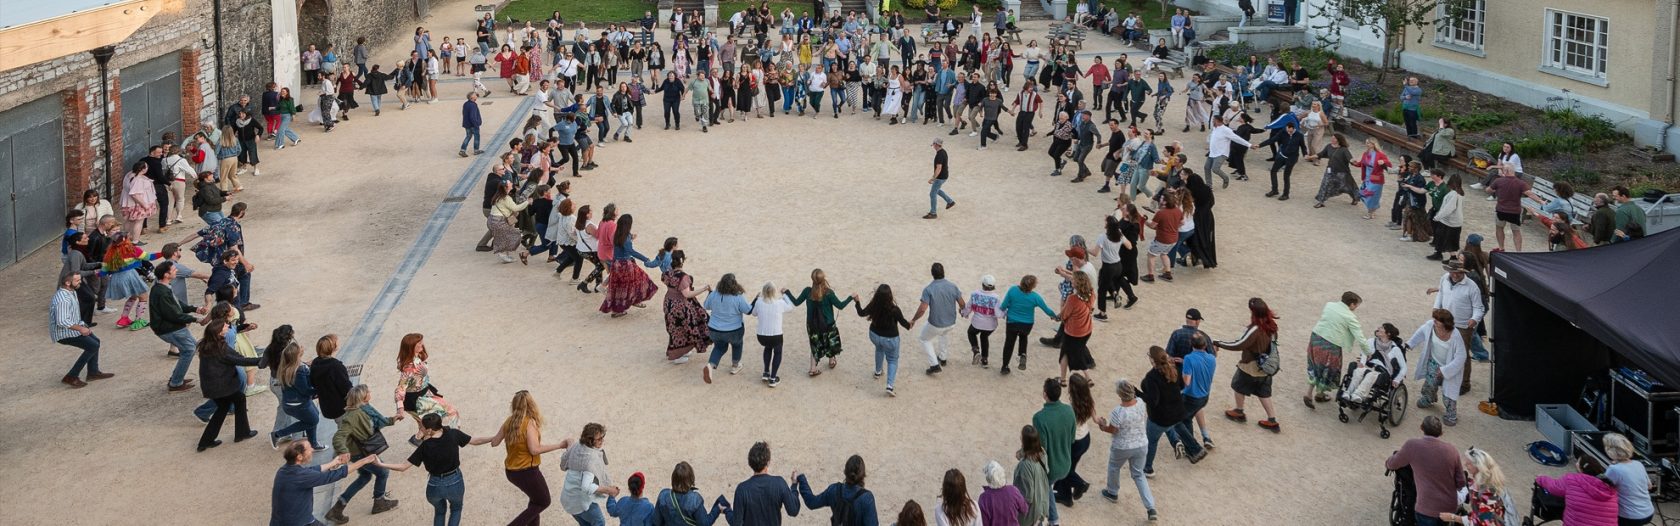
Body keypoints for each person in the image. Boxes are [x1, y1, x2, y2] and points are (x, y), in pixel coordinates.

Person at [376, 412, 494, 526]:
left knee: (440, 512)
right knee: (456, 509)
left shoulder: (424, 447)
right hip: (455, 481)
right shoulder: (453, 434)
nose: (420, 429)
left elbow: (403, 467)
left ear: (429, 430)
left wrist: (381, 464)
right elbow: (475, 440)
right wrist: (493, 438)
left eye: (422, 427)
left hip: (434, 487)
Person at [490, 391, 574, 526]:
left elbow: (494, 442)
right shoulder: (529, 423)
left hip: (511, 472)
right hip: (527, 472)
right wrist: (560, 445)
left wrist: (506, 434)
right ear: (531, 404)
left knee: (535, 501)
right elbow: (535, 450)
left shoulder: (509, 422)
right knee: (544, 501)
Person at [327, 385, 401, 522]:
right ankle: (379, 502)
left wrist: (392, 420)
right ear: (363, 396)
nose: (370, 393)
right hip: (361, 453)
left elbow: (375, 422)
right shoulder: (352, 416)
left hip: (361, 451)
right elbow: (338, 437)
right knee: (383, 472)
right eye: (368, 392)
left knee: (365, 477)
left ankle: (337, 508)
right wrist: (343, 451)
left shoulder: (364, 408)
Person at [1384, 416, 1468, 526]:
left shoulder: (1412, 445)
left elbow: (1392, 464)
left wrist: (1388, 463)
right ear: (1441, 433)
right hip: (1448, 508)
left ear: (1421, 428)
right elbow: (1461, 482)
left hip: (1426, 508)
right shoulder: (1452, 450)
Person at [271, 441, 377, 526]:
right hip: (298, 522)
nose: (312, 449)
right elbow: (337, 474)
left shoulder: (284, 470)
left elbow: (312, 470)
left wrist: (334, 462)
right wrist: (364, 461)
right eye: (309, 449)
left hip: (286, 521)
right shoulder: (301, 476)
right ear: (299, 457)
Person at [1139, 344, 1207, 476]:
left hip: (1160, 418)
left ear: (1152, 360)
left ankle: (1148, 469)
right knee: (1178, 426)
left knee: (1152, 441)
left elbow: (1153, 401)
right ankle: (1195, 449)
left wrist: (1138, 393)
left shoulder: (1151, 377)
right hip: (1176, 412)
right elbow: (1182, 385)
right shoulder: (1173, 369)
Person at [1095, 378, 1156, 520]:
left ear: (1120, 395)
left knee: (1114, 467)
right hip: (1141, 444)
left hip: (1122, 447)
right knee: (1139, 475)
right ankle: (1151, 507)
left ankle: (1112, 492)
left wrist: (1103, 426)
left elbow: (1113, 430)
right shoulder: (1141, 403)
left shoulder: (1118, 412)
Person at [197, 320, 262, 451]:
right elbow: (241, 360)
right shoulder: (221, 348)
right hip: (222, 386)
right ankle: (242, 433)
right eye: (225, 326)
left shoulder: (206, 344)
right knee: (238, 399)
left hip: (211, 385)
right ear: (219, 332)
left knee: (223, 408)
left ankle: (206, 441)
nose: (228, 326)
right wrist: (262, 361)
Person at [1218, 297, 1282, 432]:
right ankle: (1272, 420)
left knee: (1238, 385)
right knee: (1264, 393)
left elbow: (1239, 344)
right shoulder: (1272, 326)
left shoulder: (1255, 329)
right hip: (1266, 366)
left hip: (1250, 366)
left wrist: (1219, 343)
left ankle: (1239, 411)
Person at [1428, 258, 1484, 393]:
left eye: (1458, 272)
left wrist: (1474, 319)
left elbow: (1479, 308)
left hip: (1463, 326)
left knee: (1462, 355)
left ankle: (1464, 384)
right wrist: (1436, 308)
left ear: (1463, 272)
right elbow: (1440, 294)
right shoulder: (1444, 279)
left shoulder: (1472, 287)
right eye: (1453, 272)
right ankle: (1445, 376)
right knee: (1444, 352)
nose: (1455, 275)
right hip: (1445, 323)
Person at [1304, 292, 1370, 407]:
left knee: (1315, 365)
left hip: (1316, 337)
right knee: (1328, 370)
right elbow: (1360, 337)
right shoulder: (1350, 317)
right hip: (1331, 344)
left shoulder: (1329, 305)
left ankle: (1311, 393)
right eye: (1356, 306)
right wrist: (1368, 352)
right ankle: (1318, 394)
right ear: (1352, 304)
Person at [787, 269, 855, 376]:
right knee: (830, 341)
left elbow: (796, 302)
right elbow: (841, 306)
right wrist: (851, 297)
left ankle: (813, 368)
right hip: (828, 324)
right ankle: (832, 360)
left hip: (812, 324)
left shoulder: (807, 291)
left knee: (814, 345)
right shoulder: (829, 293)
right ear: (823, 278)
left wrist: (787, 292)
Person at [394, 333, 459, 444]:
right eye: (418, 343)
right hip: (417, 401)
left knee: (426, 424)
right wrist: (400, 408)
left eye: (421, 341)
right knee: (450, 412)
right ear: (411, 346)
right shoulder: (409, 368)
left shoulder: (417, 357)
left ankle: (418, 439)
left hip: (426, 393)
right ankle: (454, 438)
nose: (422, 344)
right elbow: (400, 388)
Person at [1409, 308, 1468, 426]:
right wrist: (1410, 344)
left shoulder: (1455, 335)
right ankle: (1428, 399)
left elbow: (1461, 357)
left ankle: (1451, 415)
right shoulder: (1431, 325)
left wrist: (1445, 370)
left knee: (1448, 393)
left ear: (1445, 323)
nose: (1434, 321)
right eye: (1434, 318)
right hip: (1434, 361)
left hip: (1450, 367)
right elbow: (1420, 333)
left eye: (1437, 320)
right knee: (1430, 383)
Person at [50, 271, 109, 388]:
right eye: (77, 280)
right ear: (67, 282)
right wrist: (81, 329)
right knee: (92, 346)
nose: (80, 282)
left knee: (95, 342)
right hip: (64, 333)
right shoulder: (62, 299)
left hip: (73, 328)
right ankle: (71, 376)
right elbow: (62, 321)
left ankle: (93, 372)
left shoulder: (71, 292)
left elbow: (72, 315)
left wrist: (82, 325)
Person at [857, 284, 914, 396]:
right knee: (892, 360)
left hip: (874, 335)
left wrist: (857, 301)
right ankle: (889, 386)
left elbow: (861, 313)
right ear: (890, 296)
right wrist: (911, 324)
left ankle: (878, 372)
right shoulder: (895, 310)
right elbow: (905, 324)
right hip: (890, 339)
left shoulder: (874, 305)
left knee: (879, 349)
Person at [561, 423, 621, 526]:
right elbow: (586, 487)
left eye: (603, 437)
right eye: (599, 439)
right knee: (599, 522)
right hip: (580, 503)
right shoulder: (590, 460)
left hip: (568, 499)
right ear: (590, 440)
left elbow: (565, 459)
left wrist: (570, 443)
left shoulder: (577, 446)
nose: (602, 440)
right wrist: (609, 490)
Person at [1032, 378, 1073, 526]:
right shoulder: (1069, 411)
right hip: (1067, 462)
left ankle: (1050, 520)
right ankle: (1052, 520)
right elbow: (1072, 437)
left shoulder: (1039, 418)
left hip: (1051, 467)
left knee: (1041, 488)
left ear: (1045, 394)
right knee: (1046, 487)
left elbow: (1041, 449)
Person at [910, 262, 964, 375]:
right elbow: (962, 304)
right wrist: (961, 310)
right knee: (944, 333)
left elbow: (922, 310)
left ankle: (934, 364)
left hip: (936, 324)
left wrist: (914, 319)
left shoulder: (929, 289)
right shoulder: (953, 286)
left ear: (932, 274)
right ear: (943, 272)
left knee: (924, 339)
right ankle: (943, 357)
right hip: (951, 322)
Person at [1535, 455, 1619, 526]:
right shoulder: (1610, 488)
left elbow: (1554, 487)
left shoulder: (1572, 479)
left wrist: (1541, 478)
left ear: (1581, 468)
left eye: (1577, 462)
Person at [270, 340, 323, 451]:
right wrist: (321, 390)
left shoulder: (287, 367)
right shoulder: (298, 371)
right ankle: (277, 434)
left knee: (313, 416)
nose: (302, 347)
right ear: (296, 355)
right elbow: (306, 390)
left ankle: (313, 443)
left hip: (293, 402)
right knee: (312, 421)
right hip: (298, 404)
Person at [701, 273, 754, 383]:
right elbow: (748, 311)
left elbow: (706, 306)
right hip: (734, 330)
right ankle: (735, 365)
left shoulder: (714, 294)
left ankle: (710, 365)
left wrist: (710, 294)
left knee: (719, 347)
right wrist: (756, 299)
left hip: (714, 330)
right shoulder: (738, 296)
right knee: (737, 344)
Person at [796, 455, 878, 526]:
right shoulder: (867, 498)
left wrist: (801, 478)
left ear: (845, 471)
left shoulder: (834, 490)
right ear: (863, 475)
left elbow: (812, 502)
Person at [732, 442, 801, 525]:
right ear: (768, 462)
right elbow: (793, 510)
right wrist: (794, 485)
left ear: (750, 463)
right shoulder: (779, 483)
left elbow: (736, 523)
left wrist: (727, 511)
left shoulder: (742, 489)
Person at [1602, 433, 1655, 526]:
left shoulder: (1614, 469)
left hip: (1628, 517)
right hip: (1648, 512)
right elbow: (1649, 486)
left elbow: (1603, 490)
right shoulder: (1638, 464)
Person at [653, 461, 729, 526]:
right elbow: (705, 524)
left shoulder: (663, 496)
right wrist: (717, 509)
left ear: (673, 478)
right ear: (691, 479)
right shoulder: (694, 500)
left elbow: (656, 522)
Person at [752, 281, 795, 387]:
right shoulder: (779, 303)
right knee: (778, 353)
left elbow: (753, 313)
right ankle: (772, 378)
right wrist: (785, 295)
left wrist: (757, 297)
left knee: (767, 348)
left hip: (762, 336)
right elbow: (791, 306)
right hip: (776, 336)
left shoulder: (759, 302)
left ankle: (766, 372)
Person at [1257, 122, 1307, 200]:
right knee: (1273, 171)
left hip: (1292, 158)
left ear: (1293, 128)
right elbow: (1271, 140)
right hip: (1282, 155)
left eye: (1290, 131)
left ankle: (1286, 194)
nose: (1288, 132)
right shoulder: (1283, 132)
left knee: (1286, 176)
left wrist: (1305, 154)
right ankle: (1274, 190)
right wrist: (1260, 145)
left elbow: (1303, 146)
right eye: (1287, 130)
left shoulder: (1299, 135)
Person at [961, 275, 1002, 367]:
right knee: (984, 337)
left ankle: (976, 351)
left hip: (977, 323)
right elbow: (999, 314)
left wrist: (964, 313)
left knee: (971, 333)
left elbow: (968, 307)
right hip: (991, 326)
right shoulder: (996, 297)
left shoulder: (975, 294)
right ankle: (984, 360)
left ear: (983, 284)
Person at [977, 460, 1027, 526]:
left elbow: (984, 523)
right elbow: (1024, 509)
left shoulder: (984, 498)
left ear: (988, 479)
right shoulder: (1013, 491)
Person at [926, 138, 956, 219]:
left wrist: (933, 178)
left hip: (940, 177)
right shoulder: (943, 151)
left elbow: (938, 168)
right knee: (937, 190)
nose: (933, 146)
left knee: (932, 193)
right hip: (944, 176)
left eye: (933, 144)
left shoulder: (939, 155)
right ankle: (950, 201)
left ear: (936, 144)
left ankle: (933, 213)